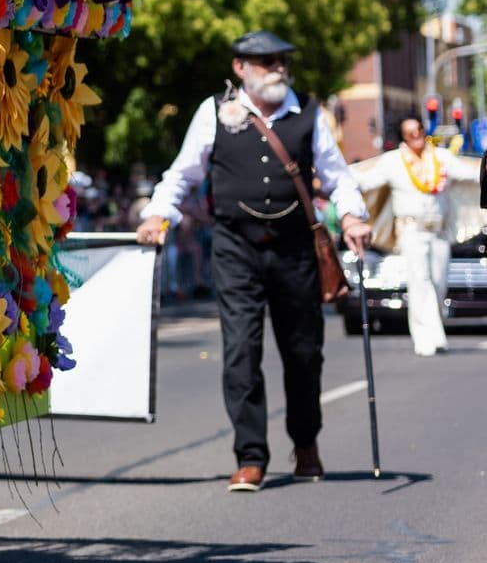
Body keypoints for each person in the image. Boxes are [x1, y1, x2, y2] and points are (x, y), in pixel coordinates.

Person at [137, 31, 371, 492]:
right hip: (235, 248)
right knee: (241, 352)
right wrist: (156, 217)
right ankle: (250, 456)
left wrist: (351, 217)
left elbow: (338, 176)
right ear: (240, 68)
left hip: (294, 250)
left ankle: (306, 443)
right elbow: (182, 172)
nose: (278, 68)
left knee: (304, 353)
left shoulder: (308, 114)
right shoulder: (214, 112)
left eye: (282, 60)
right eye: (266, 61)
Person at [357, 118, 453, 356]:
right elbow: (365, 180)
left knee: (439, 283)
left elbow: (471, 171)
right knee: (420, 281)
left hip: (438, 230)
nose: (417, 136)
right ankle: (426, 338)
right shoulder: (392, 162)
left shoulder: (440, 157)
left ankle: (435, 327)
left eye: (419, 130)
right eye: (410, 133)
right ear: (404, 138)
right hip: (411, 230)